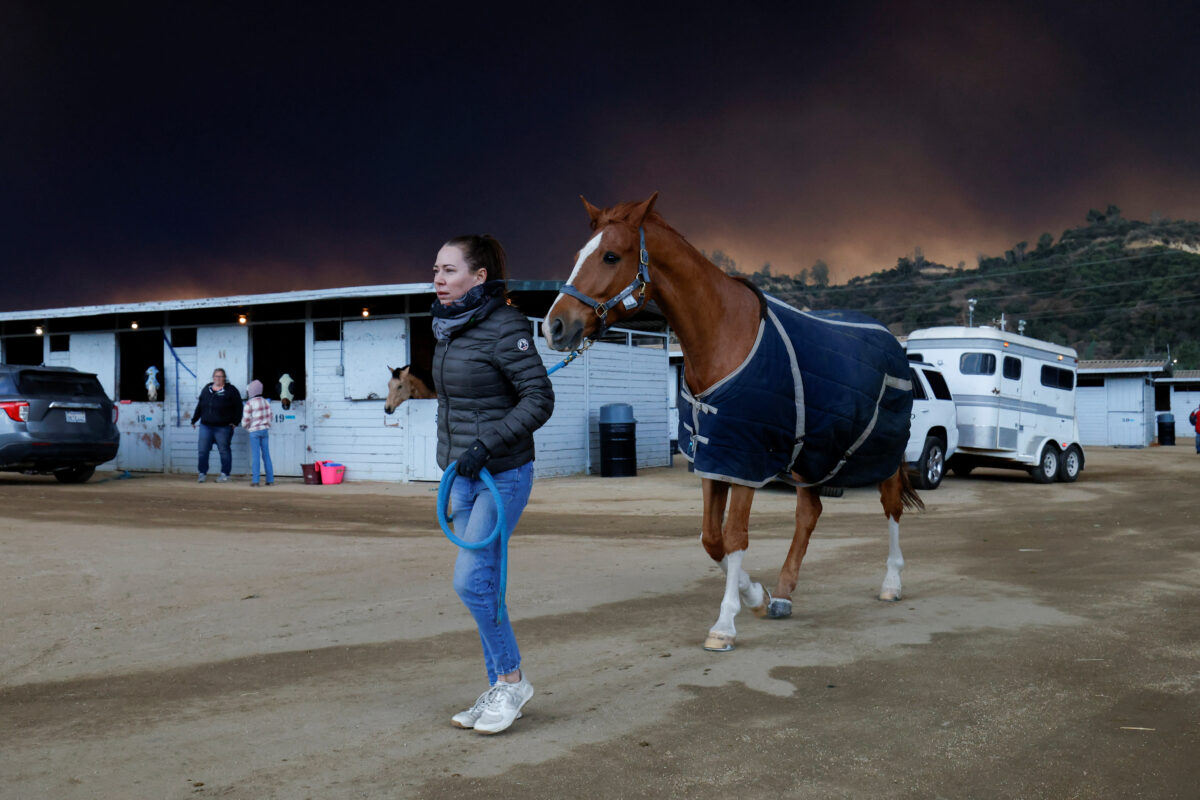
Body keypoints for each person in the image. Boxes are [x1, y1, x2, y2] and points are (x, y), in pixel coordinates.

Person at [432, 234, 554, 735]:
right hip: (459, 474)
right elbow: (455, 406)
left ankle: (512, 679)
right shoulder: (448, 327)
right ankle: (498, 686)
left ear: (479, 277)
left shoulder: (506, 326)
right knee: (484, 584)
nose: (438, 279)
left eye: (449, 270)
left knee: (469, 580)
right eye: (436, 270)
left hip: (501, 473)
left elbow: (539, 398)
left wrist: (489, 443)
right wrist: (451, 457)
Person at [191, 368, 241, 483]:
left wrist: (235, 422)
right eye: (216, 376)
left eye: (220, 376)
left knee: (224, 450)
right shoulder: (206, 389)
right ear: (213, 377)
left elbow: (238, 407)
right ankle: (202, 473)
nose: (218, 378)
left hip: (223, 427)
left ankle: (225, 474)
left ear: (224, 378)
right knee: (203, 450)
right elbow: (200, 405)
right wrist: (194, 419)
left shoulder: (231, 390)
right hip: (205, 425)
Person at [241, 379, 274, 486]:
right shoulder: (266, 402)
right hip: (265, 431)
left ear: (251, 391)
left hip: (254, 432)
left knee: (256, 456)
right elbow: (271, 417)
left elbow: (245, 420)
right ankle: (270, 480)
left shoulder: (249, 404)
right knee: (266, 455)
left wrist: (247, 427)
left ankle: (256, 481)